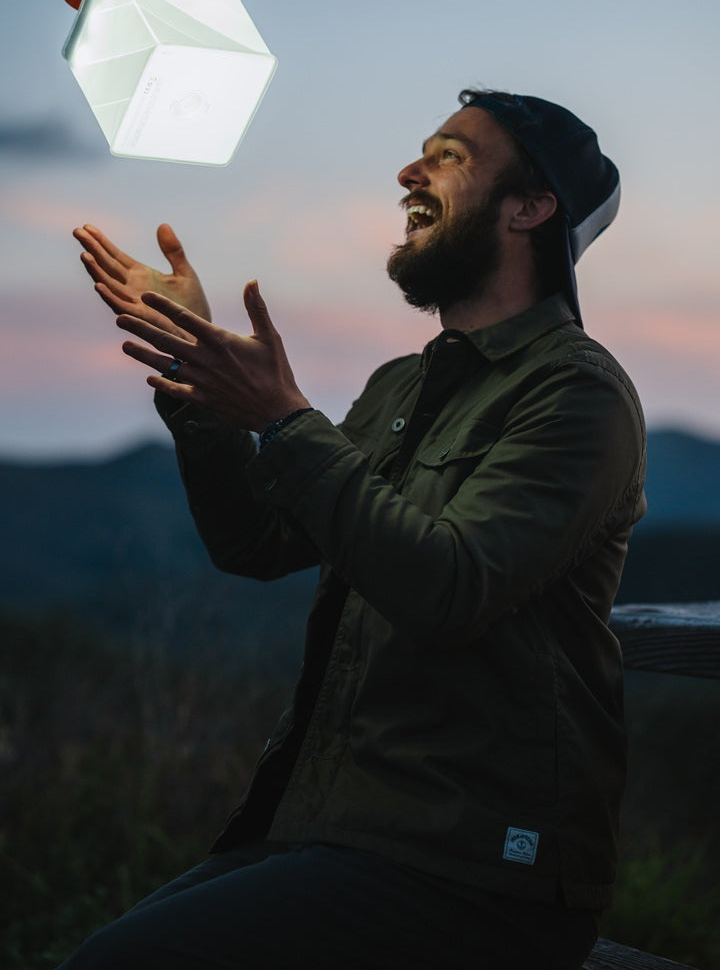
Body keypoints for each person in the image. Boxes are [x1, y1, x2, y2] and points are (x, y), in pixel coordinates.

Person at [61, 89, 646, 970]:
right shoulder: (399, 390)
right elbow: (255, 545)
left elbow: (448, 590)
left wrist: (286, 418)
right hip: (337, 829)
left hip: (481, 870)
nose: (409, 173)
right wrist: (200, 385)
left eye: (449, 155)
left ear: (532, 207)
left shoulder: (578, 394)